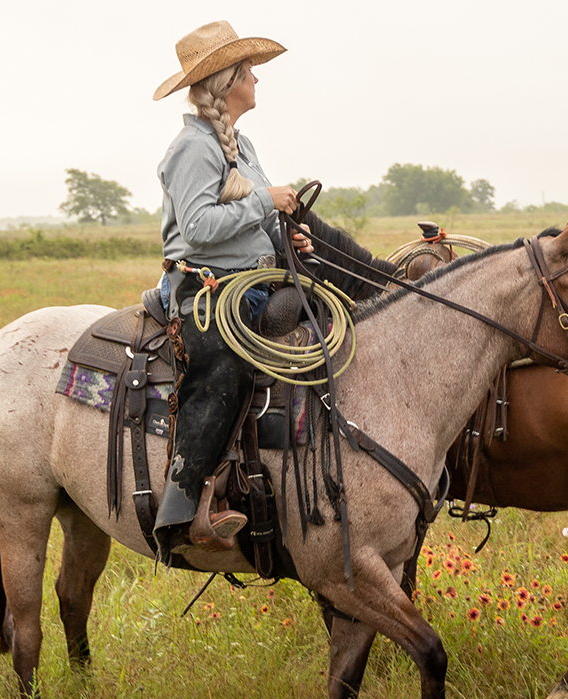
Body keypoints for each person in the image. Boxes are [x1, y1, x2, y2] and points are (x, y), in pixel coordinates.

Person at [150, 21, 391, 553]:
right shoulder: (193, 148)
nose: (257, 77)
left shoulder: (242, 143)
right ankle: (185, 505)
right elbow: (197, 229)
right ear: (227, 81)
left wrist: (288, 240)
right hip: (206, 291)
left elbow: (245, 220)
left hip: (254, 280)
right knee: (226, 364)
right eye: (248, 70)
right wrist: (266, 202)